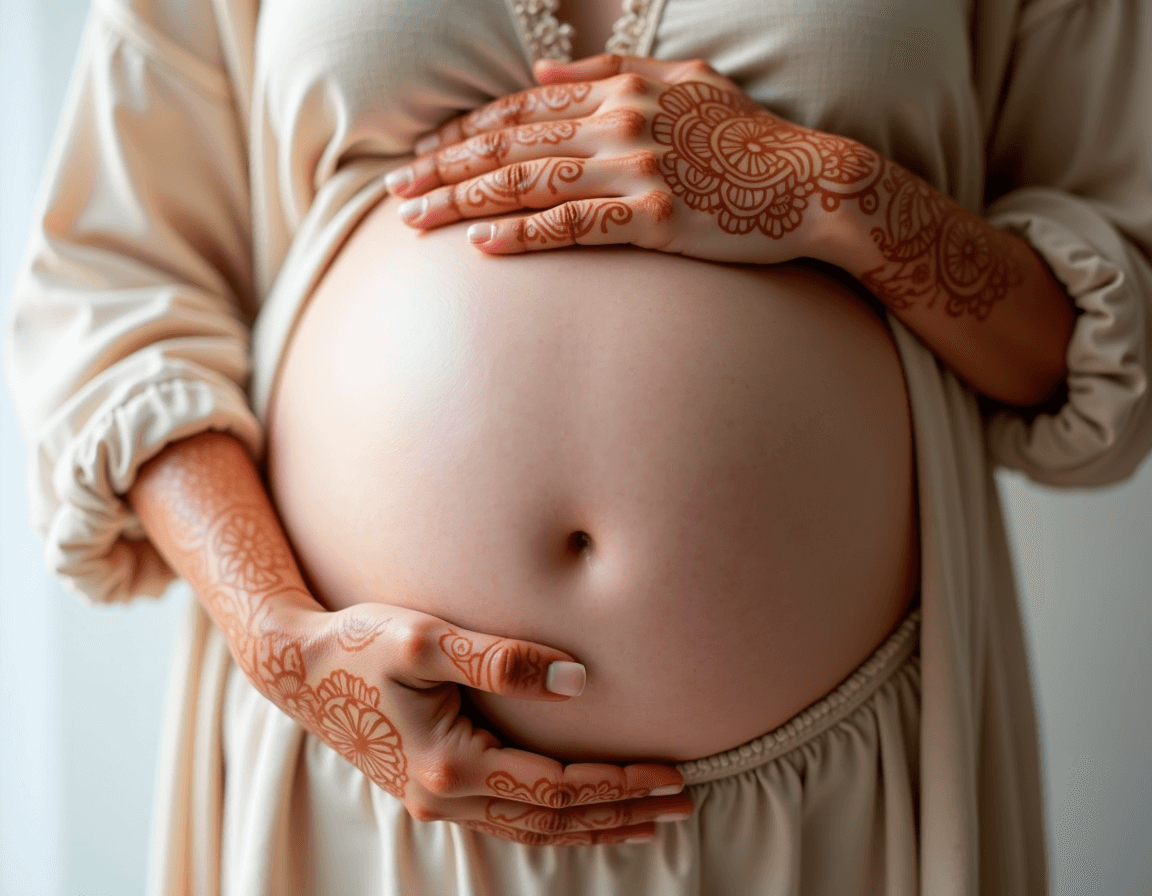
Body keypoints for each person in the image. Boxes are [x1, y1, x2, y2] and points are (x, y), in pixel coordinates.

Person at [5, 0, 1151, 893]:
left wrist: (829, 190)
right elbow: (117, 290)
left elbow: (1100, 343)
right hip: (364, 782)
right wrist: (275, 632)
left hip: (831, 810)